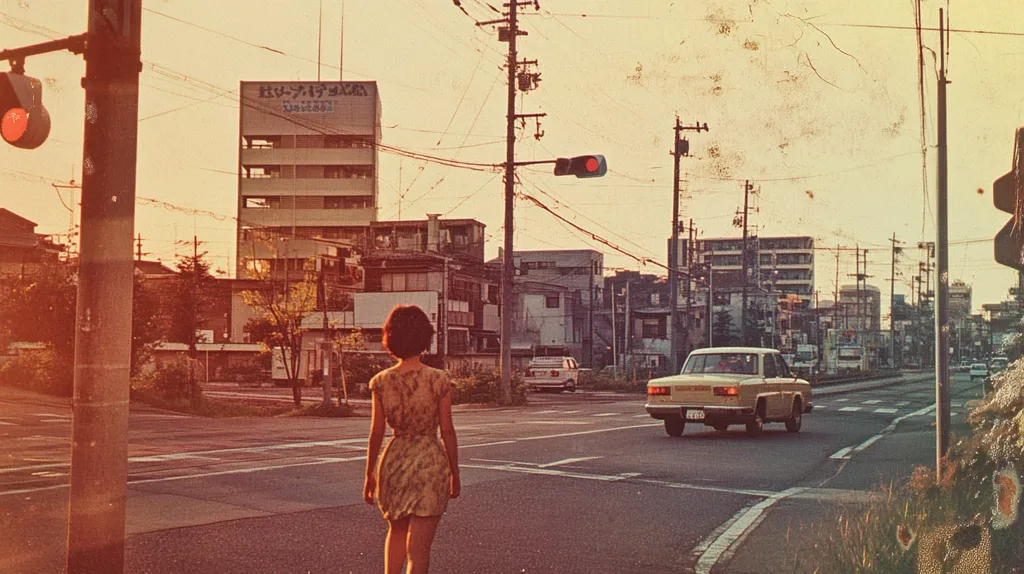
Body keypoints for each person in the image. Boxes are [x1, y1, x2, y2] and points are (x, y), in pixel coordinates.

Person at [363, 305, 461, 574]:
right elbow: (447, 431)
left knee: (395, 532)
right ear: (425, 339)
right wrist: (455, 473)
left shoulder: (380, 382)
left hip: (394, 461)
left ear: (390, 339)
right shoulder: (439, 380)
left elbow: (376, 432)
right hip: (430, 462)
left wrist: (370, 473)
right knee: (419, 551)